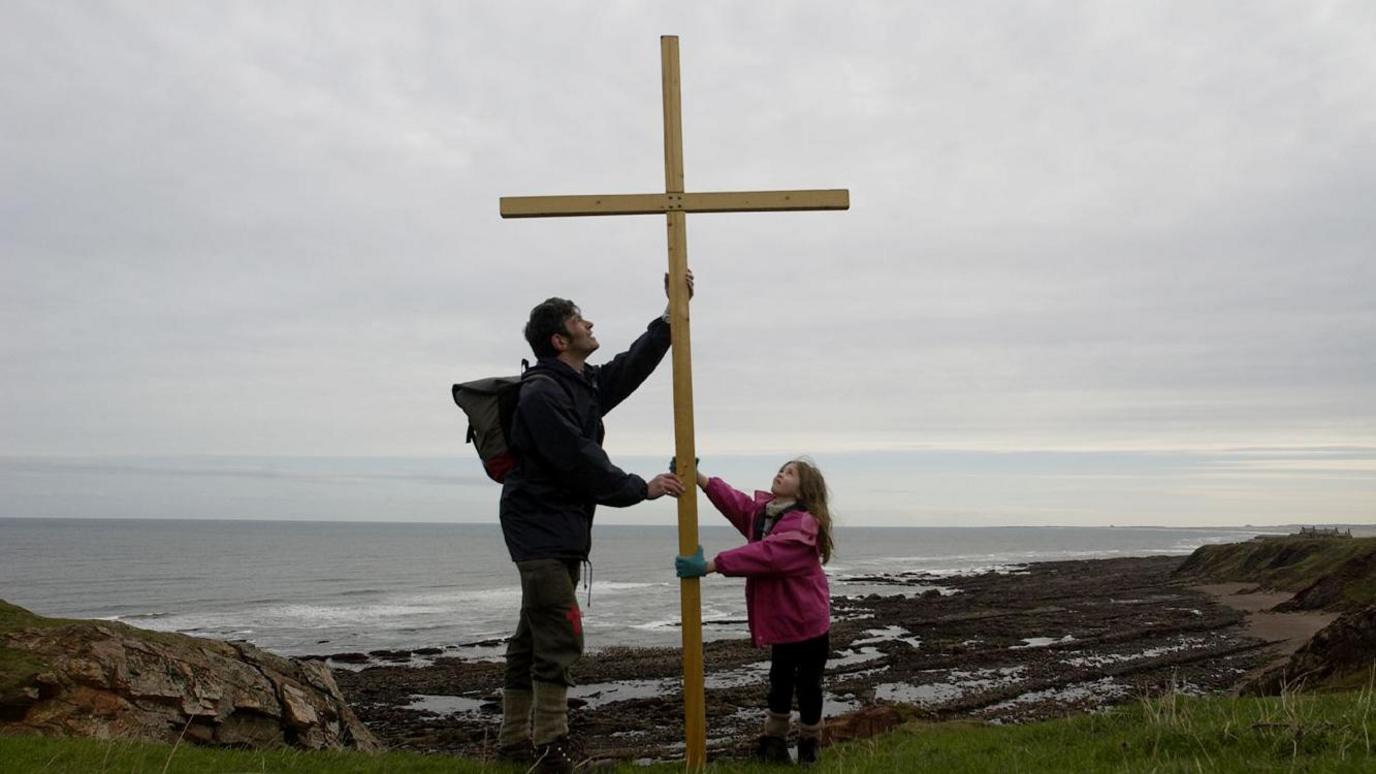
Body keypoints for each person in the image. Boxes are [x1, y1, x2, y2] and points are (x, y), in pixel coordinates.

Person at [495, 273, 692, 773]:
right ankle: (552, 750)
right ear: (560, 340)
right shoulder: (543, 394)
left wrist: (670, 315)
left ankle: (514, 744)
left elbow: (629, 367)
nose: (590, 323)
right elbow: (578, 459)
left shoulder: (578, 384)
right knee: (560, 634)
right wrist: (637, 488)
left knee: (532, 638)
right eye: (580, 320)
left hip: (555, 528)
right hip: (539, 527)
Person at [676, 458, 835, 766]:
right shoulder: (764, 515)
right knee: (779, 680)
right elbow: (736, 504)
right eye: (782, 469)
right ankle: (774, 743)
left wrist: (711, 565)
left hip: (809, 623)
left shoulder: (804, 524)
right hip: (783, 622)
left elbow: (768, 555)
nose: (781, 473)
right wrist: (700, 478)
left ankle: (809, 744)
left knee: (809, 685)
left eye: (790, 473)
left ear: (804, 491)